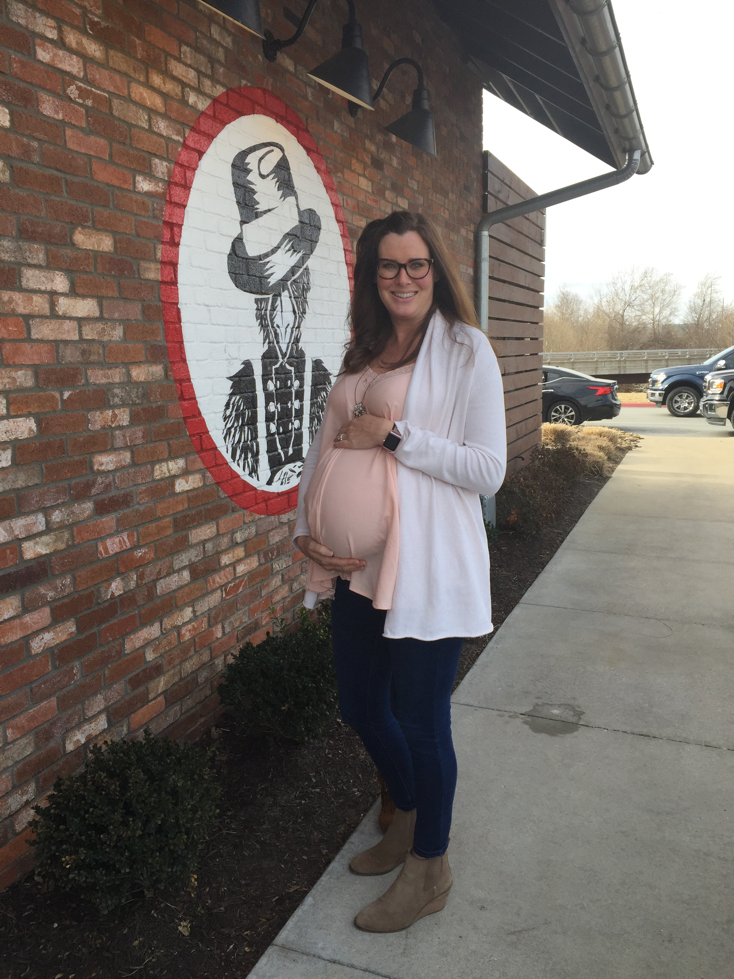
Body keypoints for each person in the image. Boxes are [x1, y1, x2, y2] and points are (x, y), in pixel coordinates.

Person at [293, 210, 506, 933]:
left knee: (421, 721)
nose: (404, 277)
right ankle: (409, 814)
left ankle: (430, 867)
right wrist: (306, 530)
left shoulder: (466, 349)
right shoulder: (364, 347)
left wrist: (395, 435)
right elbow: (325, 446)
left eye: (417, 264)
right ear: (371, 274)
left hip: (425, 568)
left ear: (435, 270)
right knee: (360, 704)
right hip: (357, 569)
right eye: (389, 265)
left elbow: (488, 469)